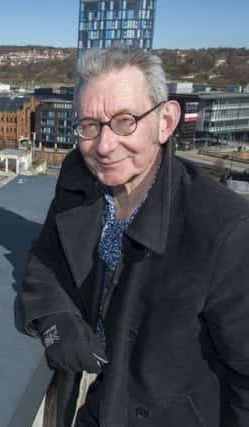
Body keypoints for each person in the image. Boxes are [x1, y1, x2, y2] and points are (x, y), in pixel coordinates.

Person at [20, 46, 249, 427]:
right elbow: (46, 260)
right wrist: (57, 320)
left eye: (125, 121)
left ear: (165, 121)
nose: (105, 146)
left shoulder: (225, 231)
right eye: (89, 125)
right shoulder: (81, 179)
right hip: (106, 400)